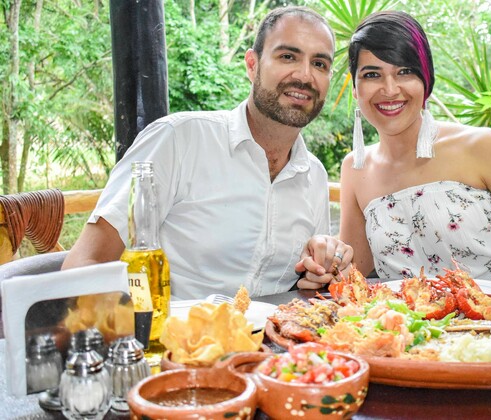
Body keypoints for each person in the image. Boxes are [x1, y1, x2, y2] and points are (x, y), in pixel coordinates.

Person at [63, 6, 352, 299]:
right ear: (252, 65)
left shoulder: (314, 175)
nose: (305, 76)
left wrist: (318, 272)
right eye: (288, 56)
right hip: (173, 325)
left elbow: (307, 281)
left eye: (319, 64)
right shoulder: (178, 140)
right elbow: (85, 264)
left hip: (277, 328)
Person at [338, 11, 491, 297]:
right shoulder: (355, 168)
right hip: (411, 325)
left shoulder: (482, 147)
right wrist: (323, 255)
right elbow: (350, 276)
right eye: (372, 75)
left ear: (426, 80)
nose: (390, 89)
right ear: (355, 88)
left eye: (404, 71)